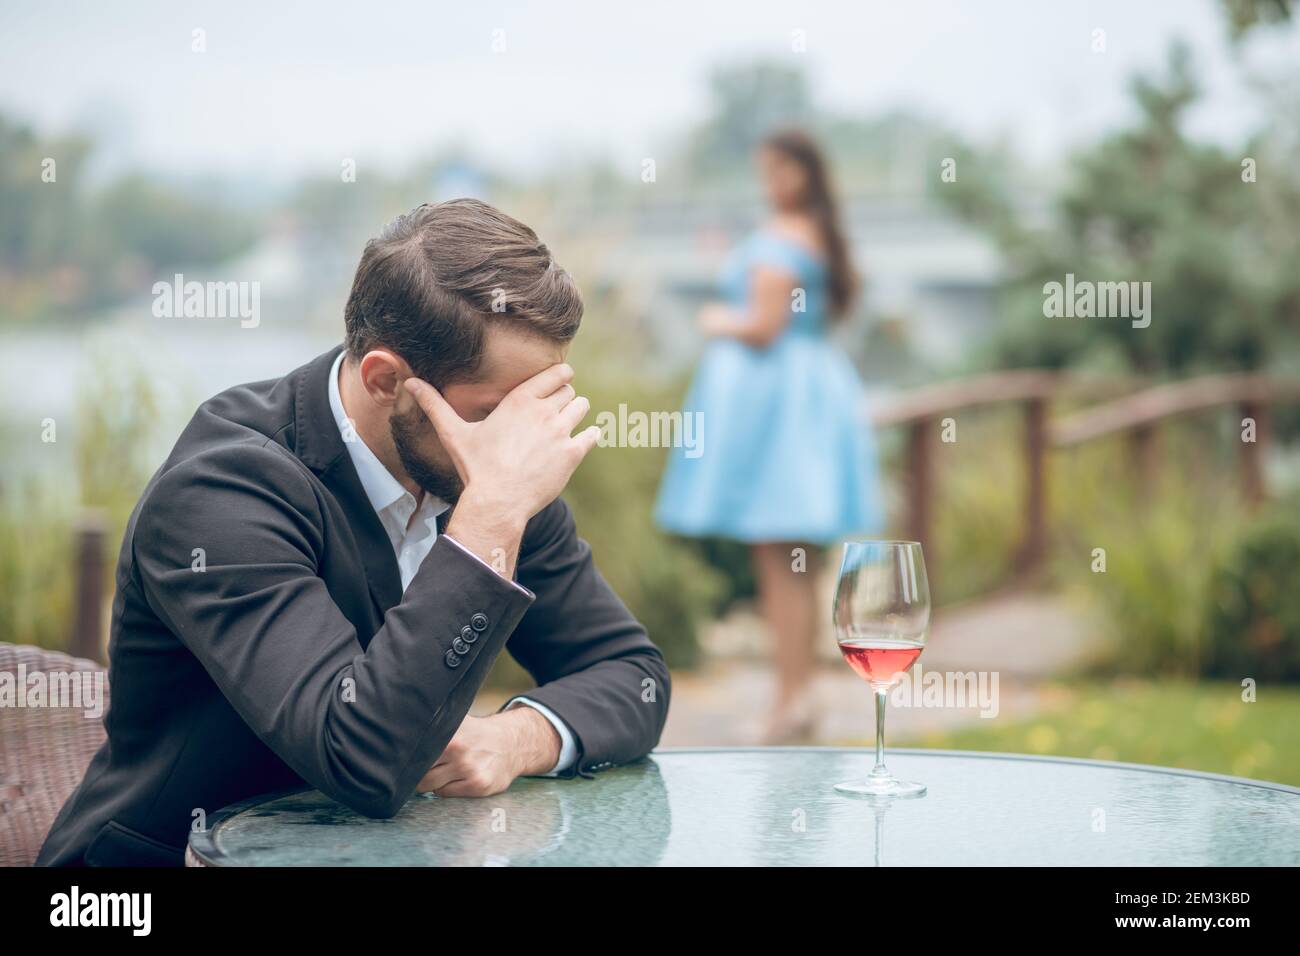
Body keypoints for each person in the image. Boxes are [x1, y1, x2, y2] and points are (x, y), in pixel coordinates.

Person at [38, 199, 670, 866]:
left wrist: (519, 738)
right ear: (386, 379)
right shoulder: (219, 494)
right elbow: (361, 758)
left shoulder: (487, 462)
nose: (525, 435)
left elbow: (635, 677)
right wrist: (489, 520)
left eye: (537, 401)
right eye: (495, 411)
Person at [655, 129, 883, 744]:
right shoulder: (815, 233)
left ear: (803, 172)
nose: (769, 180)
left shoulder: (782, 240)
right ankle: (798, 695)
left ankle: (791, 699)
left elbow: (762, 326)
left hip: (778, 414)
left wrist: (714, 318)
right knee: (795, 563)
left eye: (779, 168)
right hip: (802, 401)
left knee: (780, 559)